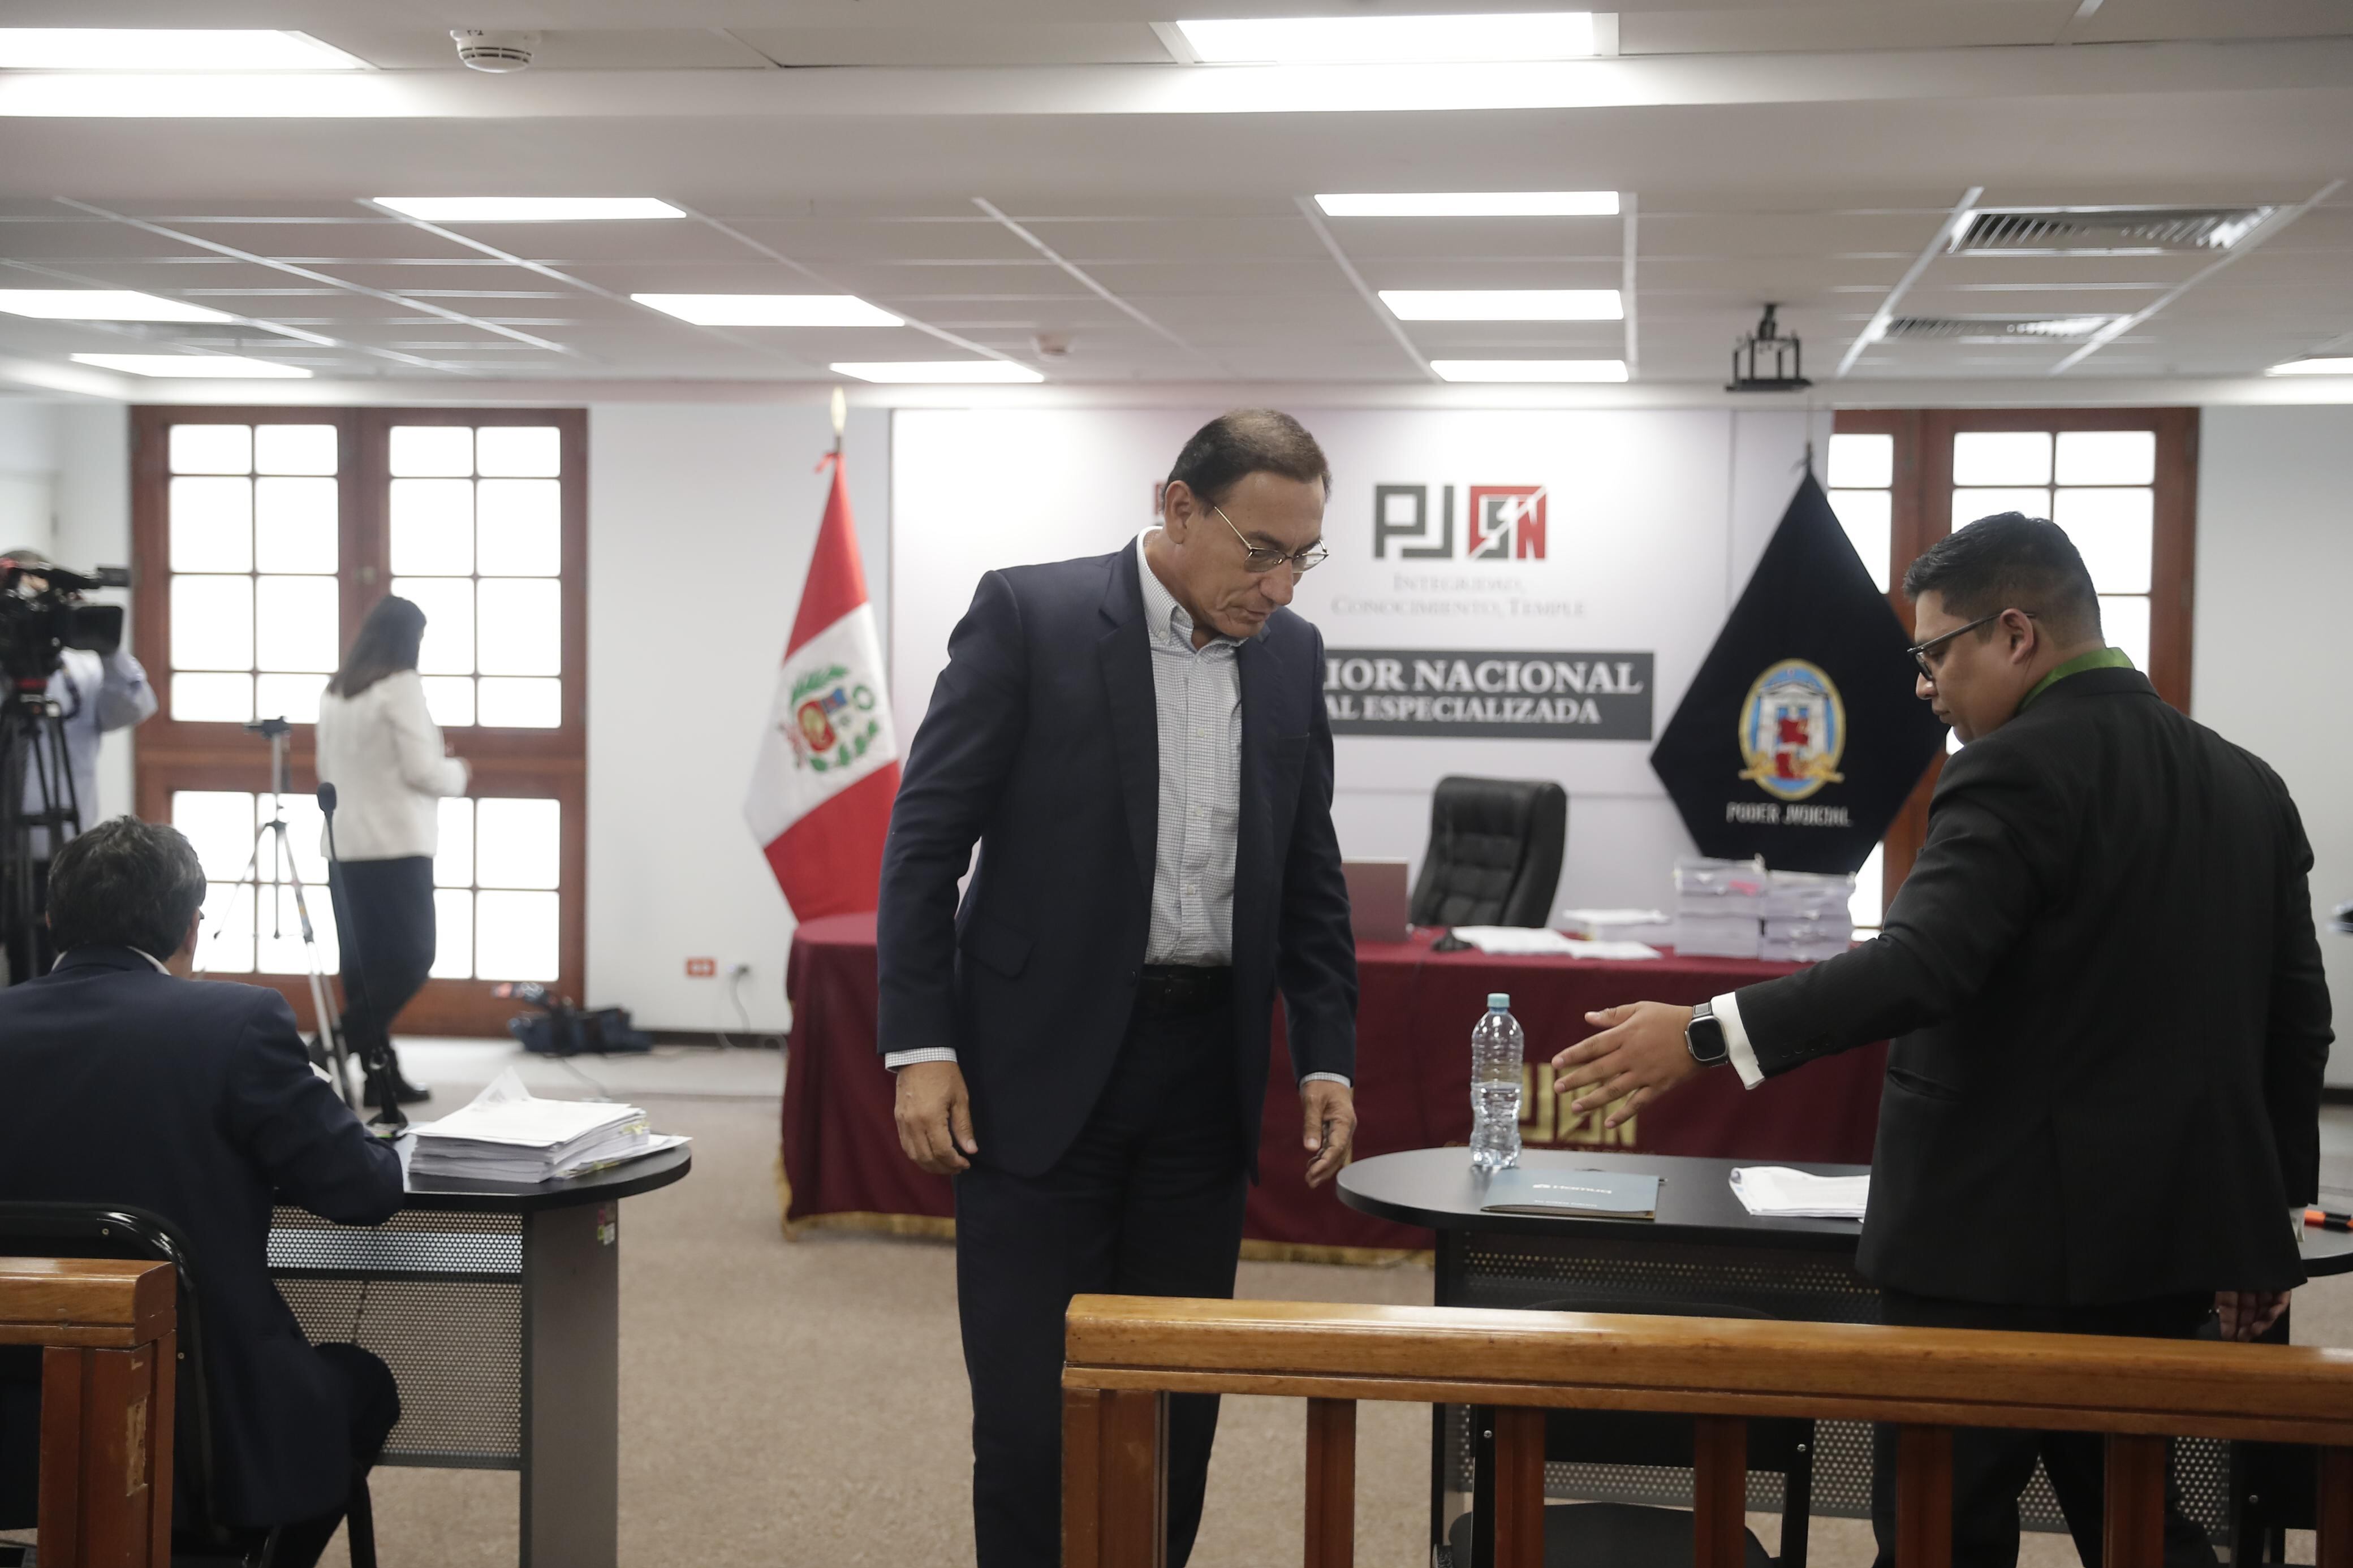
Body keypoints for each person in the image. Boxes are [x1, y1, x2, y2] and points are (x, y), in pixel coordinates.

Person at [1551, 513, 2332, 1568]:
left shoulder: (2013, 769)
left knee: (1939, 1532)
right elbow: (2298, 1019)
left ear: (2014, 634)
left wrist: (1701, 1032)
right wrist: (2265, 1221)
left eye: (1933, 652)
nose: (1923, 686)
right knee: (2139, 1523)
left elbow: (1922, 964)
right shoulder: (2249, 784)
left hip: (1992, 1245)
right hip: (2172, 1241)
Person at [878, 409, 1360, 1568]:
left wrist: (1328, 1050)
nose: (1282, 587)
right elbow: (924, 841)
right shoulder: (1031, 618)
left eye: (1304, 557)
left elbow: (1308, 872)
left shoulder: (1289, 657)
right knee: (1034, 1416)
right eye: (1261, 550)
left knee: (1173, 1407)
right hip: (1036, 1074)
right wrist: (918, 1042)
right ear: (1177, 506)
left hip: (1203, 1083)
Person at [0, 815, 404, 1565]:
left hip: (21, 1400)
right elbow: (364, 1190)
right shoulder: (235, 1021)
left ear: (54, 921)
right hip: (205, 1420)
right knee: (362, 1382)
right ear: (192, 928)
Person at [314, 595, 469, 1107]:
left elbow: (325, 770)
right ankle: (326, 1050)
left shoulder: (337, 691)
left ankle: (382, 1078)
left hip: (343, 844)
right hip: (395, 845)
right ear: (409, 639)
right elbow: (423, 770)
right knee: (412, 957)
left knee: (363, 966)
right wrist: (460, 774)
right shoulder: (401, 686)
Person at [2, 546, 156, 983]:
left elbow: (134, 705)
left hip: (60, 854)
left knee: (44, 974)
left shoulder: (80, 671)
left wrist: (107, 649)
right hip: (7, 853)